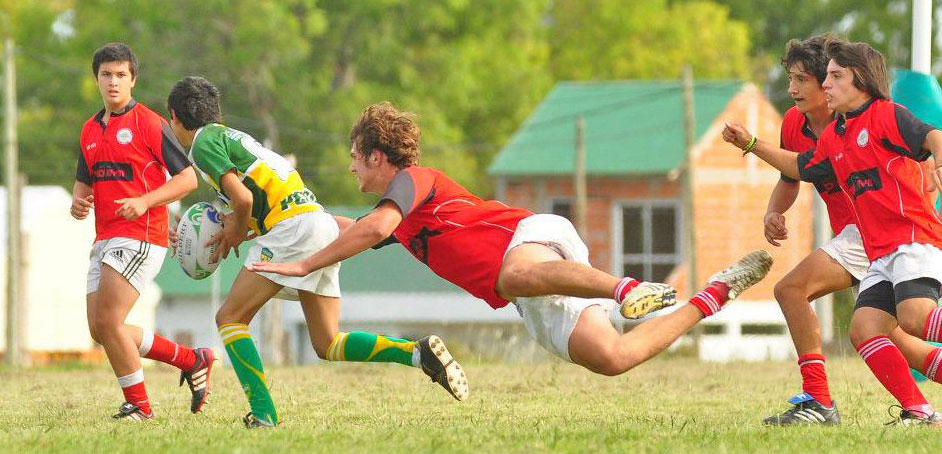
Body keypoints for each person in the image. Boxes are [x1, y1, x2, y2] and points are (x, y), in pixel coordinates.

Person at [250, 101, 774, 380]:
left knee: (515, 275)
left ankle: (626, 288)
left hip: (528, 238)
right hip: (528, 289)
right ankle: (715, 294)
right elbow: (349, 228)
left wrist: (304, 266)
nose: (350, 167)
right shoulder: (399, 218)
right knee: (611, 358)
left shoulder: (412, 181)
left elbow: (372, 229)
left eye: (354, 157)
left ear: (376, 156)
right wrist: (276, 220)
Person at [166, 77, 465, 429]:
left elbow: (243, 199)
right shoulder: (232, 137)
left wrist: (233, 232)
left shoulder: (203, 143)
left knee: (229, 318)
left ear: (174, 117)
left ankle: (263, 414)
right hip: (315, 222)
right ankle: (416, 353)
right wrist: (235, 227)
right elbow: (258, 199)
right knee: (327, 343)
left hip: (293, 229)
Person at [723, 39, 942, 426]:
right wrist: (756, 154)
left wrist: (936, 161)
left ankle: (820, 402)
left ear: (858, 80)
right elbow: (798, 169)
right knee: (875, 333)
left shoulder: (883, 115)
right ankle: (921, 412)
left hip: (903, 238)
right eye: (822, 77)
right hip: (876, 247)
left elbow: (930, 137)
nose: (805, 87)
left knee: (906, 317)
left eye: (829, 77)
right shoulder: (828, 135)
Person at [72, 43, 213, 421]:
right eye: (106, 74)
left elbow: (188, 179)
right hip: (105, 236)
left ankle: (139, 406)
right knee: (101, 329)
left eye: (121, 75)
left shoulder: (149, 123)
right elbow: (84, 182)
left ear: (133, 80)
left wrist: (145, 201)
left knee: (109, 322)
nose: (113, 82)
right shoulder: (89, 129)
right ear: (97, 79)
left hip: (141, 234)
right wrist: (78, 203)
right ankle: (191, 359)